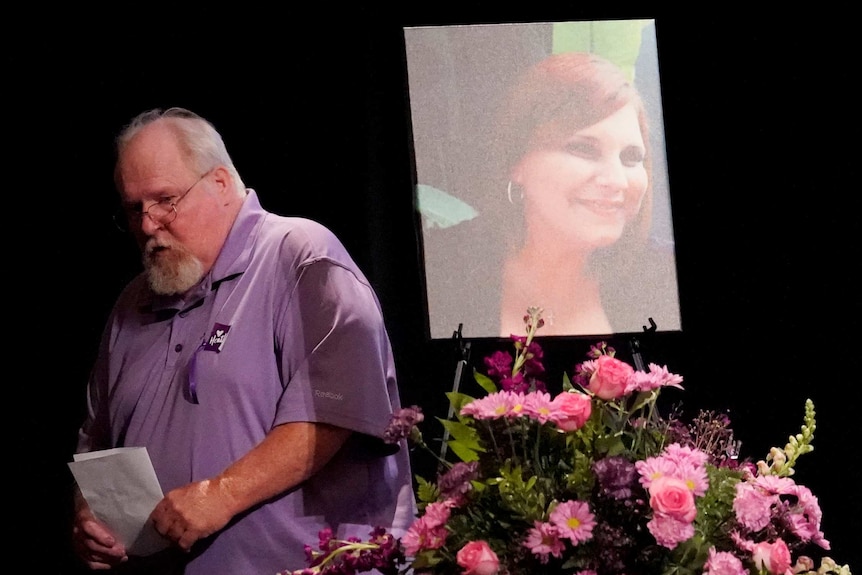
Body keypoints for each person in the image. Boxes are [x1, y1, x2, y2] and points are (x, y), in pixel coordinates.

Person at [71, 107, 416, 574]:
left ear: (219, 182)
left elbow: (334, 413)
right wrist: (91, 512)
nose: (149, 224)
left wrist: (223, 494)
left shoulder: (301, 256)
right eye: (135, 209)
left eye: (165, 200)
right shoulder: (133, 302)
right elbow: (97, 439)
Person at [422, 50, 681, 338]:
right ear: (517, 161)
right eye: (583, 148)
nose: (618, 180)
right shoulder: (439, 268)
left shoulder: (666, 276)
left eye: (632, 157)